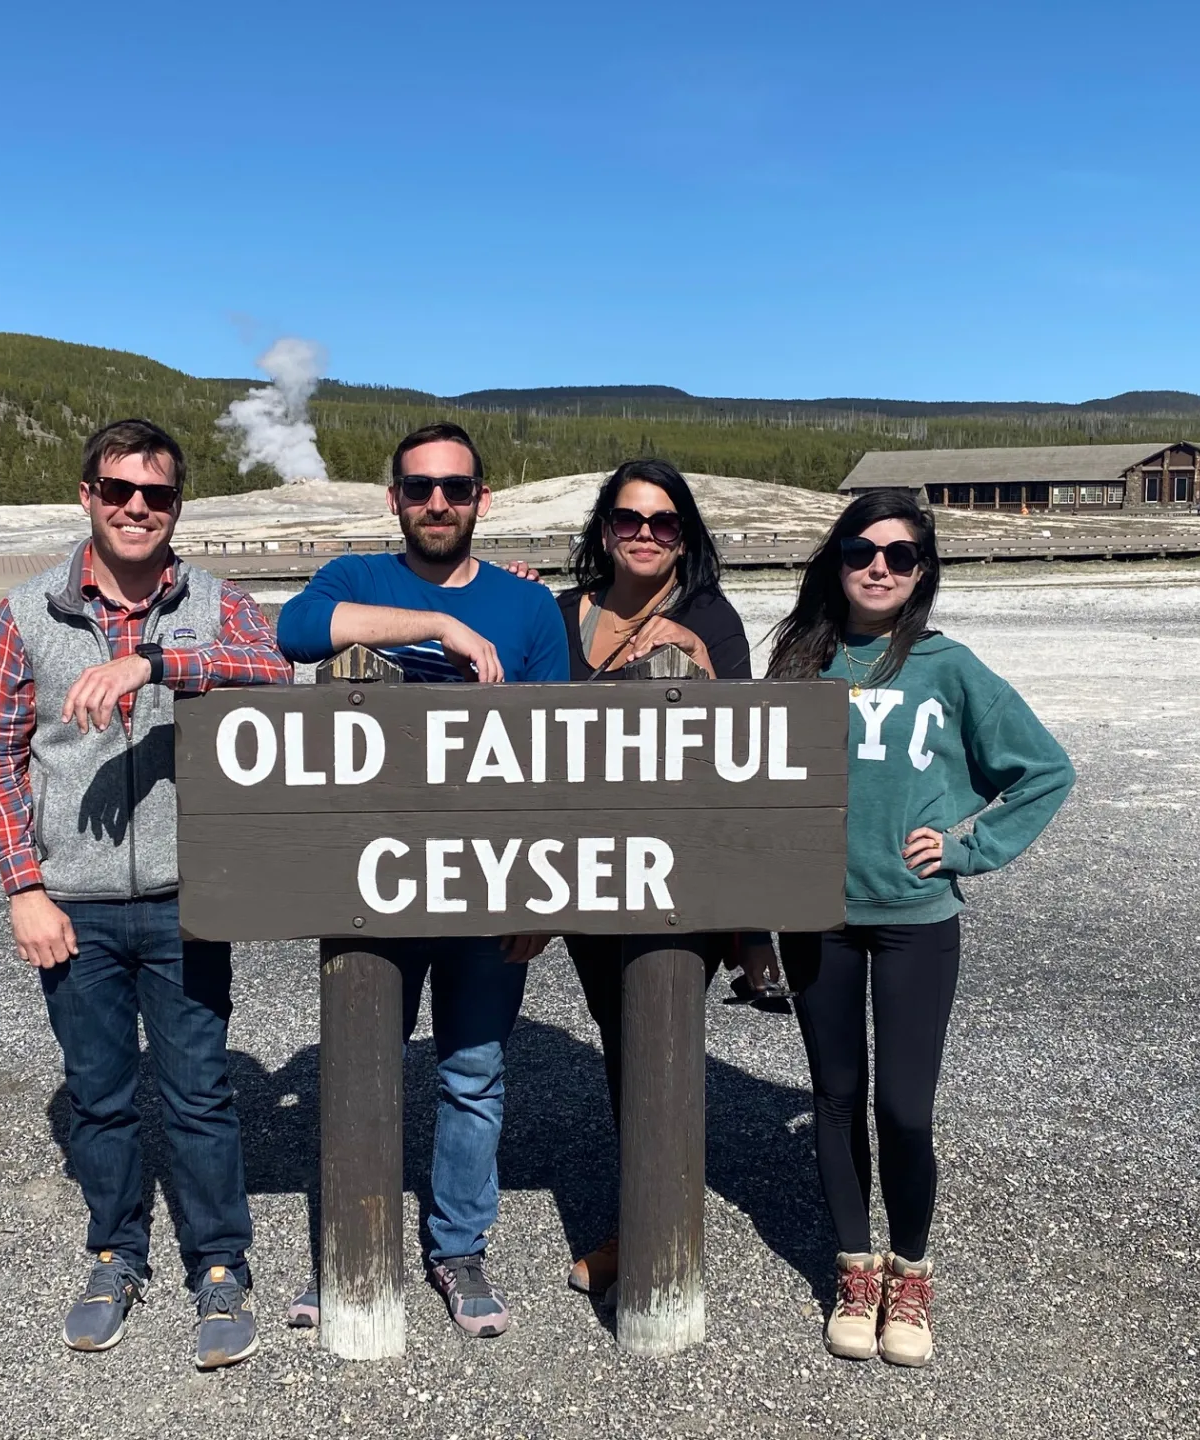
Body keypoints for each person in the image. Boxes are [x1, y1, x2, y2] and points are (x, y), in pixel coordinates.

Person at [0, 418, 292, 1370]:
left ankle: (219, 1264)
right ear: (88, 496)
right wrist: (24, 888)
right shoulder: (29, 611)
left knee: (199, 1092)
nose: (137, 508)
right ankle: (115, 1252)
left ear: (176, 506)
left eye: (156, 495)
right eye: (118, 491)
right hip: (73, 899)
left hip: (190, 895)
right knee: (100, 1094)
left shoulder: (214, 603)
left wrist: (155, 663)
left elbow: (276, 673)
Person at [767, 491, 1074, 1368]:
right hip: (815, 914)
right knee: (835, 1096)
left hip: (914, 917)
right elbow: (750, 783)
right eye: (861, 550)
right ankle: (855, 1270)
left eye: (899, 556)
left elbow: (1045, 770)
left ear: (922, 571)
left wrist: (969, 846)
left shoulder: (947, 666)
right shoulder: (798, 662)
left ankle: (911, 1273)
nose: (878, 567)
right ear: (836, 560)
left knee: (903, 1106)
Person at [274, 420, 568, 1338]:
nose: (437, 502)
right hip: (373, 879)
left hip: (491, 880)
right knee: (363, 1067)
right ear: (393, 497)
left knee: (474, 1075)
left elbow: (562, 760)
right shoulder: (357, 578)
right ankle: (352, 1242)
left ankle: (459, 1247)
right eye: (418, 488)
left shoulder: (530, 608)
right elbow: (296, 630)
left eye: (455, 487)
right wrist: (440, 624)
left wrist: (545, 896)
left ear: (483, 498)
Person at [546, 459, 781, 1303]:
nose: (644, 533)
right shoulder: (558, 613)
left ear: (685, 535)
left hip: (678, 867)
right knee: (618, 1031)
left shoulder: (710, 617)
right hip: (583, 868)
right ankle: (645, 1205)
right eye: (628, 518)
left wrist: (699, 668)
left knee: (657, 1026)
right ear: (604, 529)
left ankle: (650, 1227)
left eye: (663, 521)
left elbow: (744, 754)